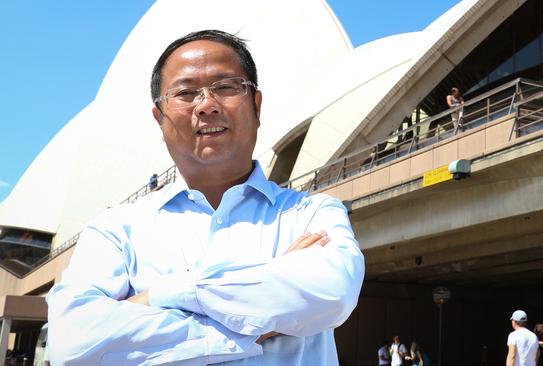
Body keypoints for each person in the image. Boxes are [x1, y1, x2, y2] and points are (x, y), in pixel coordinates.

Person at [45, 30, 365, 365]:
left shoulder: (313, 214)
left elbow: (332, 293)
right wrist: (261, 311)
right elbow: (72, 343)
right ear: (160, 117)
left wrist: (160, 296)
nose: (207, 105)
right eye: (186, 93)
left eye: (226, 87)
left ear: (256, 104)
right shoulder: (115, 229)